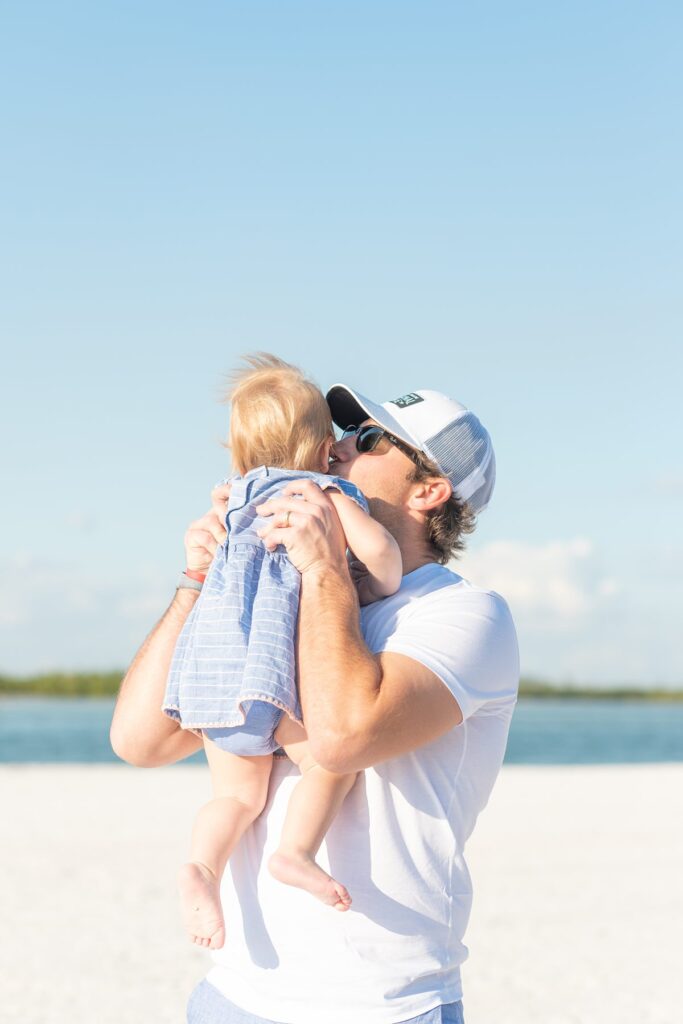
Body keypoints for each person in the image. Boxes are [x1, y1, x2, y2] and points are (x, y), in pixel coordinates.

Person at [110, 375, 520, 1024]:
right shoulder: (286, 595)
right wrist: (201, 578)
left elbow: (340, 737)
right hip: (236, 995)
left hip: (381, 1007)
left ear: (429, 490)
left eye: (370, 438)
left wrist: (323, 565)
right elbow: (141, 741)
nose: (334, 447)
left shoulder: (464, 615)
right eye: (340, 432)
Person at [163, 354, 402, 951]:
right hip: (278, 672)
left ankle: (202, 867)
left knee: (235, 796)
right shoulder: (323, 490)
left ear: (238, 455)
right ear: (326, 449)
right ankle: (295, 852)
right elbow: (383, 560)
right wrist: (379, 580)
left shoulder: (233, 499)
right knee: (329, 761)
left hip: (215, 675)